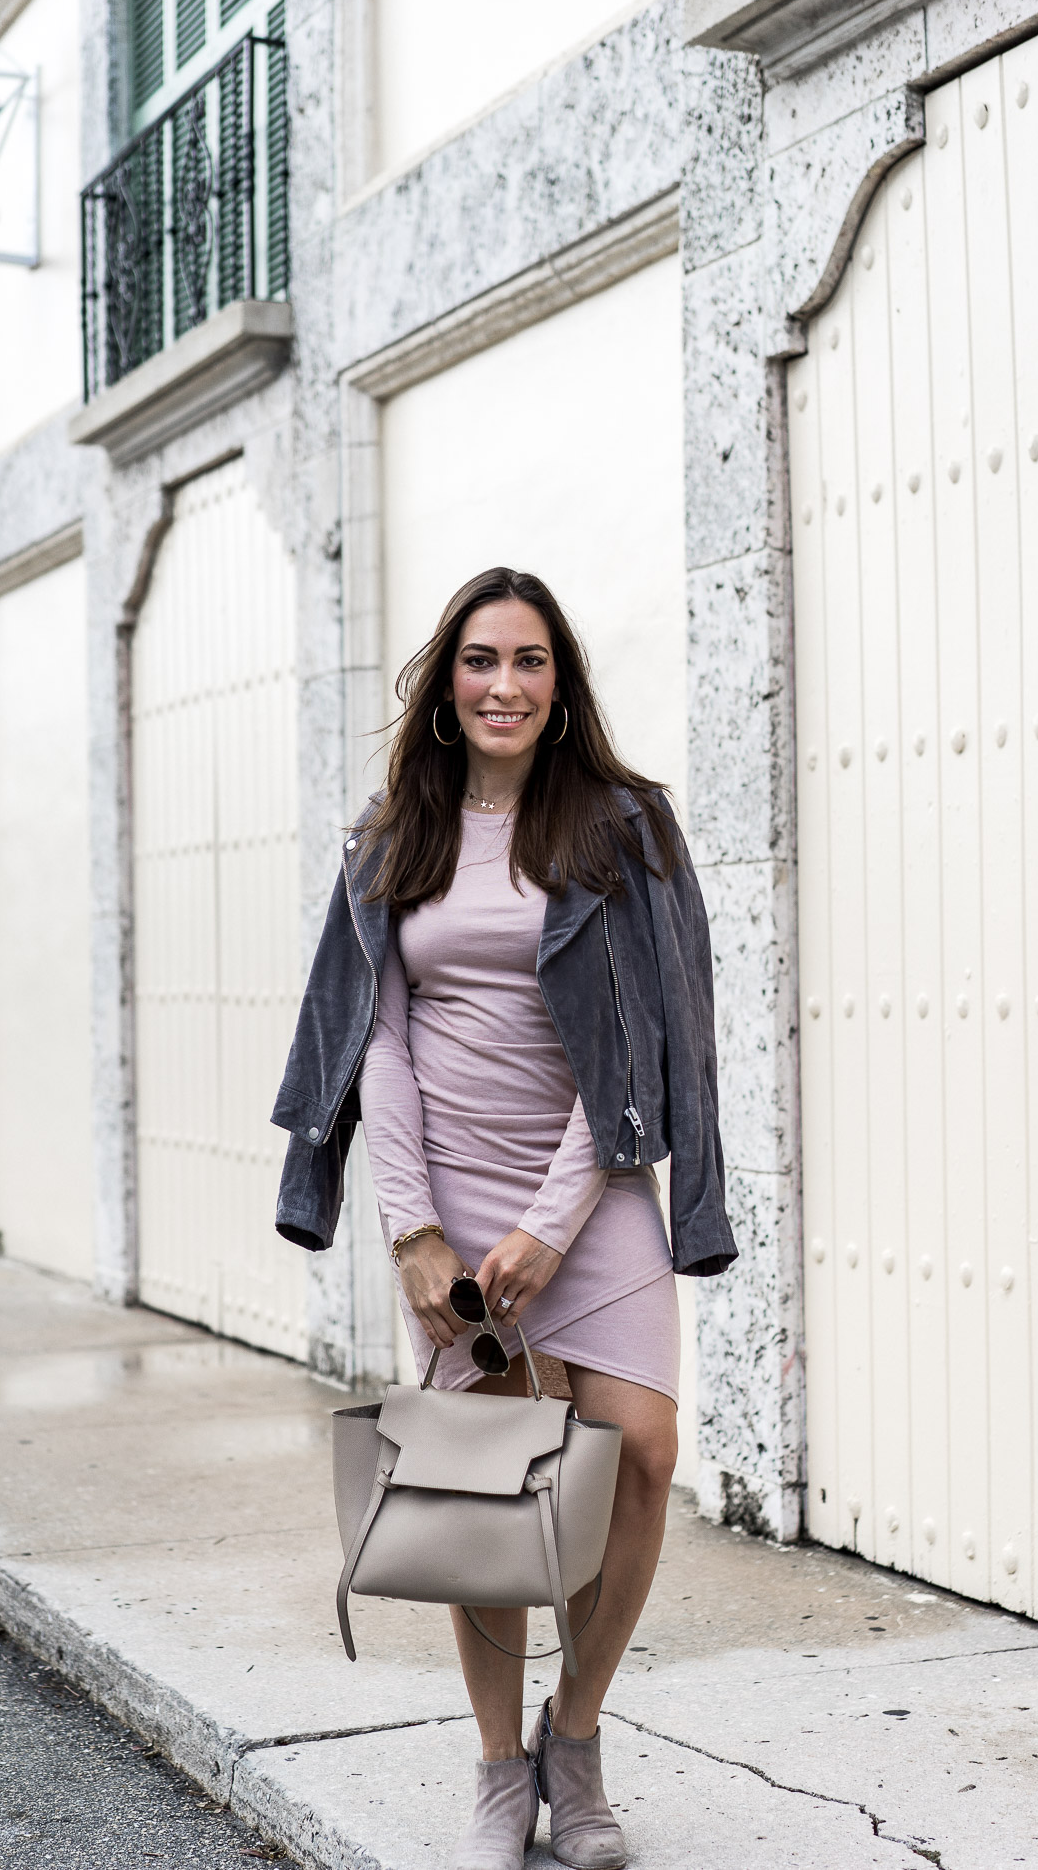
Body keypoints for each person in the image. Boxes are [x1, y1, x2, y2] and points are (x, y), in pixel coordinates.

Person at [271, 566, 736, 1870]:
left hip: (591, 1191)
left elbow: (646, 1038)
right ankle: (495, 1773)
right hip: (449, 1200)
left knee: (637, 1450)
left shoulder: (622, 826)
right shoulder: (392, 836)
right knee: (483, 1486)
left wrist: (549, 1223)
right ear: (447, 682)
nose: (505, 685)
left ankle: (571, 1742)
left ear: (560, 683)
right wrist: (414, 1230)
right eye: (481, 660)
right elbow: (376, 1039)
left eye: (530, 662)